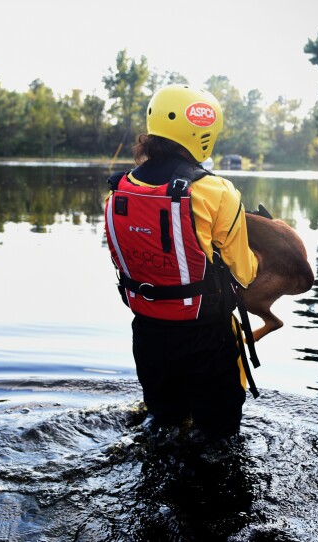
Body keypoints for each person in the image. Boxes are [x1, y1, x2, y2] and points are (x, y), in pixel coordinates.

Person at [104, 84, 259, 440]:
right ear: (203, 133)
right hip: (205, 340)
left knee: (163, 431)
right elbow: (244, 273)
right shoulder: (217, 191)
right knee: (218, 443)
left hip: (147, 336)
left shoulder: (117, 190)